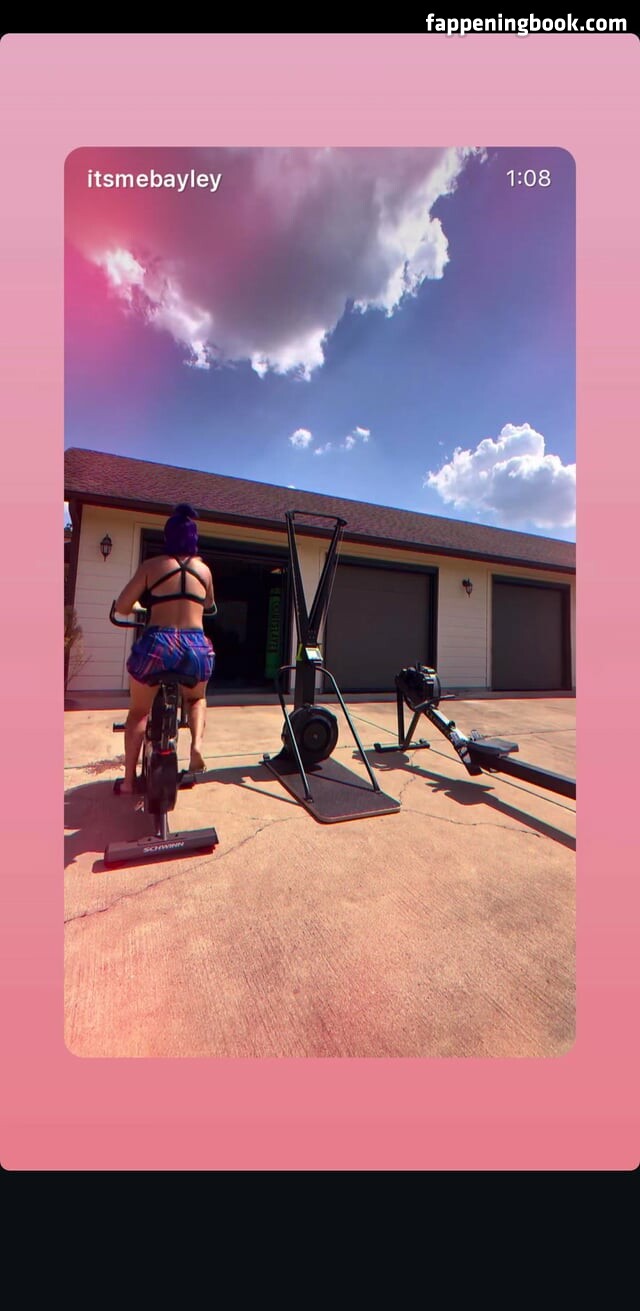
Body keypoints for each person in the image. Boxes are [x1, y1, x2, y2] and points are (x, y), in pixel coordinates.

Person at [113, 503, 215, 794]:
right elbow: (209, 604)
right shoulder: (204, 570)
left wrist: (137, 605)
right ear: (194, 538)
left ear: (168, 537)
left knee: (139, 712)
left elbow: (122, 606)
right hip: (195, 645)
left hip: (159, 644)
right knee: (196, 699)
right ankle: (196, 747)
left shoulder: (152, 566)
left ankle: (129, 781)